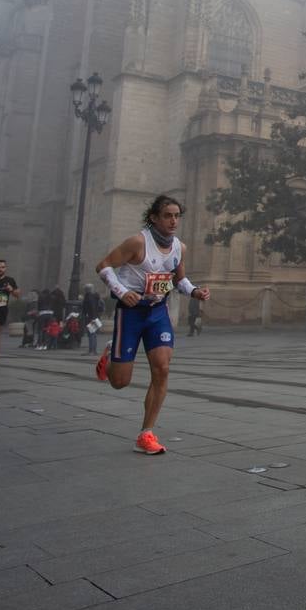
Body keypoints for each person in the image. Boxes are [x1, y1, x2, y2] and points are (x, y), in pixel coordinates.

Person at [93, 195, 210, 455]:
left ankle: (146, 433)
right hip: (131, 312)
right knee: (120, 382)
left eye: (177, 215)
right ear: (154, 217)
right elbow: (103, 266)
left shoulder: (180, 247)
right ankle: (111, 357)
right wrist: (122, 292)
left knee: (163, 369)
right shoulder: (137, 242)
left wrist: (195, 291)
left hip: (158, 311)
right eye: (168, 215)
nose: (173, 220)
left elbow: (179, 280)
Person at [80, 283, 103, 354]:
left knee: (91, 334)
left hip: (90, 317)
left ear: (87, 289)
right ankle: (94, 350)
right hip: (95, 316)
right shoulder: (96, 296)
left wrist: (90, 317)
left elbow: (90, 307)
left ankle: (91, 350)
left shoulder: (89, 296)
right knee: (93, 334)